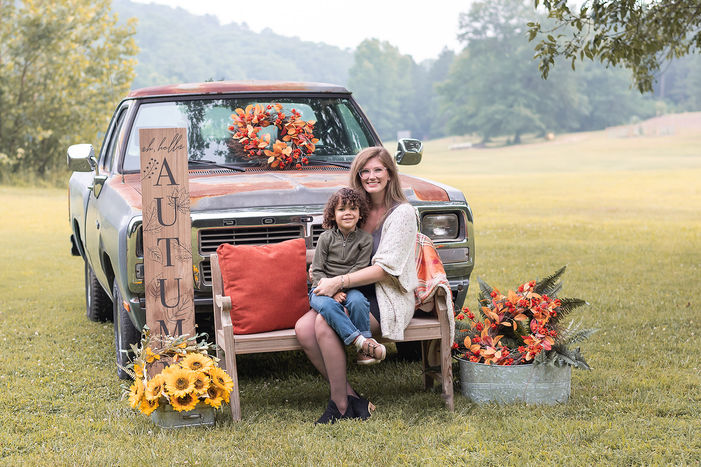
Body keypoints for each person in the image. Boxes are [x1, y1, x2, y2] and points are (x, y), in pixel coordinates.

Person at [295, 146, 418, 424]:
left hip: (385, 294)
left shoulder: (402, 213)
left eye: (378, 170)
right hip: (349, 290)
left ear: (389, 174)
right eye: (365, 171)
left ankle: (338, 405)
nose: (371, 176)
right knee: (303, 329)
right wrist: (328, 278)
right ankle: (354, 399)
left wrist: (337, 281)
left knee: (323, 326)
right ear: (358, 175)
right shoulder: (356, 209)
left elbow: (385, 270)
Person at [309, 188, 386, 365]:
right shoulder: (325, 238)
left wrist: (339, 287)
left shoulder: (365, 240)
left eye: (353, 209)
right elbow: (318, 270)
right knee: (328, 307)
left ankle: (363, 352)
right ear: (333, 215)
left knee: (358, 302)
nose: (347, 213)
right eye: (341, 209)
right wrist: (331, 292)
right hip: (321, 290)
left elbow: (359, 269)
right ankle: (361, 342)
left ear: (360, 214)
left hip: (350, 288)